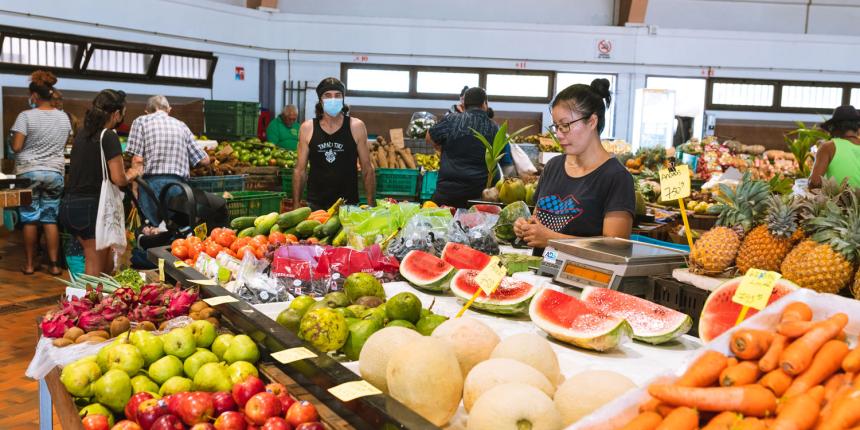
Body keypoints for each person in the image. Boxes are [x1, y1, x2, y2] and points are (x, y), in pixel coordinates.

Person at [514, 79, 634, 253]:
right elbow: (539, 219)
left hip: (585, 277)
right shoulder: (553, 166)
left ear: (592, 121)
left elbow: (615, 247)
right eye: (556, 126)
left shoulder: (616, 177)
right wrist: (527, 227)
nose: (559, 135)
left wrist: (551, 239)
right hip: (541, 273)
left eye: (565, 125)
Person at [60, 90, 141, 275]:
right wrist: (133, 172)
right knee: (94, 271)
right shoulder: (109, 136)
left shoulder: (82, 134)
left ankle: (98, 301)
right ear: (116, 114)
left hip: (71, 205)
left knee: (106, 268)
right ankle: (86, 303)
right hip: (93, 209)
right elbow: (118, 178)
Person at [10, 71, 71, 275]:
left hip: (29, 172)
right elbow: (63, 144)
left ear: (34, 96)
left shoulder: (25, 116)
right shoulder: (64, 118)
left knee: (29, 218)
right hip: (54, 172)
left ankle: (29, 265)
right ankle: (54, 265)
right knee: (50, 218)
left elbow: (17, 147)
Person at [293, 77, 376, 210]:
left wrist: (372, 204)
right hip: (316, 204)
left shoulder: (356, 126)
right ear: (320, 100)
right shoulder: (307, 128)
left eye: (337, 95)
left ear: (343, 99)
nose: (333, 99)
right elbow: (300, 170)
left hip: (348, 204)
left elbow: (367, 168)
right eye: (327, 95)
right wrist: (296, 204)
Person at [127, 95, 210, 225]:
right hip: (178, 186)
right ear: (169, 109)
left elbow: (138, 160)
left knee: (153, 230)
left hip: (150, 187)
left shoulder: (141, 121)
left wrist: (134, 189)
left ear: (147, 111)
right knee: (175, 229)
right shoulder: (181, 125)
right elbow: (205, 160)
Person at [426, 87, 513, 208]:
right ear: (484, 104)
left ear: (463, 104)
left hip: (447, 195)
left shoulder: (451, 119)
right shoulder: (495, 128)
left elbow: (429, 136)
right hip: (479, 199)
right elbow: (506, 163)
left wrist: (440, 148)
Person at [809, 105, 860, 189]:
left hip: (838, 201)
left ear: (835, 128)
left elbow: (814, 183)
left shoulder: (828, 147)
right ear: (857, 127)